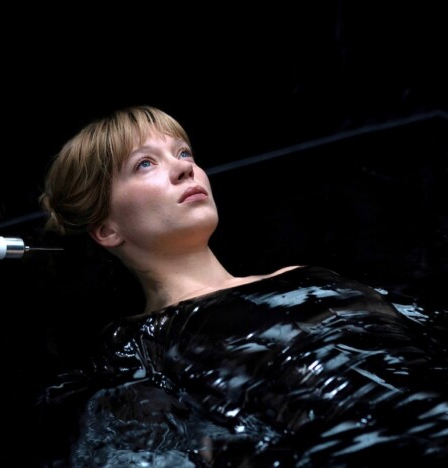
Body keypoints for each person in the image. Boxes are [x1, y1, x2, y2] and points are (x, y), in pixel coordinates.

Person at [38, 105, 448, 467]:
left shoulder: (304, 275)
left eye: (184, 153)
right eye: (145, 164)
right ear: (107, 229)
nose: (184, 168)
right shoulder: (141, 347)